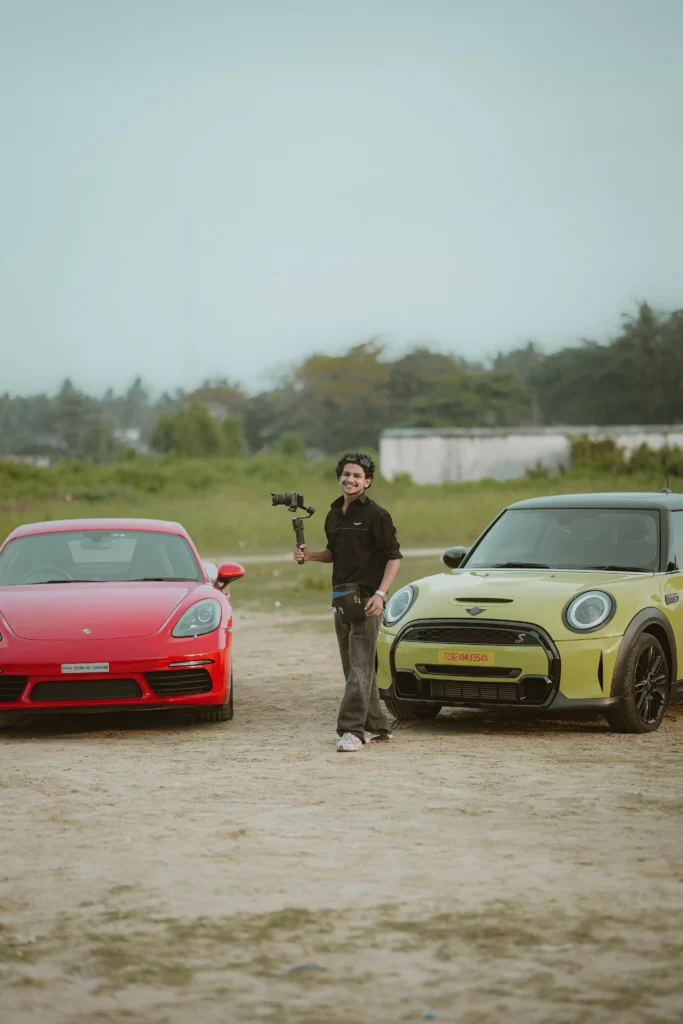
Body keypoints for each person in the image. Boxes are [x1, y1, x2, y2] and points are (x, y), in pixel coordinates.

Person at [293, 451, 402, 752]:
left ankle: (352, 730)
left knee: (360, 665)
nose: (350, 479)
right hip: (342, 598)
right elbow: (333, 553)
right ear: (340, 478)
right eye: (346, 474)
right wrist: (310, 555)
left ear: (367, 482)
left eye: (357, 476)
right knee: (353, 666)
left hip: (368, 600)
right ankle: (377, 724)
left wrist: (381, 595)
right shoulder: (333, 514)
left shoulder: (377, 515)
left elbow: (394, 558)